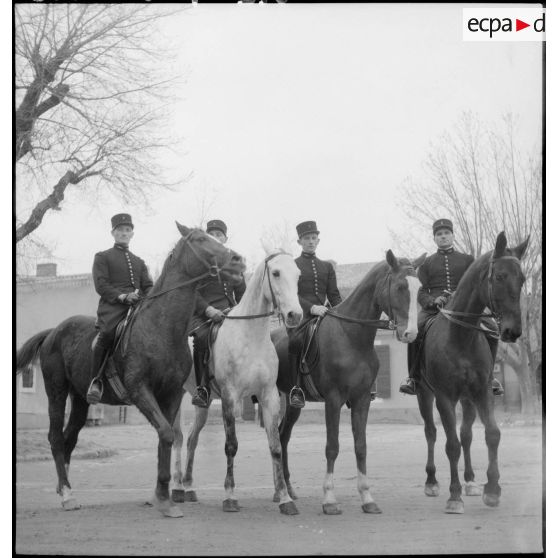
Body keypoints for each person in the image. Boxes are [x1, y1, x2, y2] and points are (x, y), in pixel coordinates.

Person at [399, 218, 504, 396]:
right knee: (416, 331)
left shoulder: (467, 259)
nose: (443, 237)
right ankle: (414, 377)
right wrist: (432, 300)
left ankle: (490, 377)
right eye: (439, 234)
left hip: (465, 308)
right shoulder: (426, 263)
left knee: (493, 329)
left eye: (446, 233)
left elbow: (477, 284)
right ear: (434, 239)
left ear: (453, 235)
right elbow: (420, 290)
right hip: (435, 308)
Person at [87, 213, 153, 404]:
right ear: (113, 233)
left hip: (137, 305)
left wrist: (148, 298)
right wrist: (122, 296)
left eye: (127, 230)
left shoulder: (139, 262)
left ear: (132, 233)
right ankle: (96, 381)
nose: (124, 233)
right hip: (112, 306)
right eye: (120, 230)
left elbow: (148, 286)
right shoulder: (102, 257)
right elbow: (101, 285)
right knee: (107, 333)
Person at [190, 219, 246, 408]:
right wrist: (208, 309)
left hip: (229, 312)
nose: (216, 238)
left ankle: (252, 384)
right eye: (212, 235)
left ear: (225, 238)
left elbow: (242, 294)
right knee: (202, 338)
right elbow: (193, 292)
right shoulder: (197, 262)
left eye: (219, 235)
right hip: (203, 313)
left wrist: (239, 311)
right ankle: (202, 388)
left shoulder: (233, 262)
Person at [288, 220, 342, 408]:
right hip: (301, 315)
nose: (311, 241)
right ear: (299, 242)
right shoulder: (292, 265)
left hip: (325, 314)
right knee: (295, 341)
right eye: (306, 238)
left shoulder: (327, 267)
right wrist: (311, 308)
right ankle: (297, 388)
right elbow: (292, 294)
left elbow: (334, 295)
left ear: (318, 241)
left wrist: (342, 313)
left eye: (313, 238)